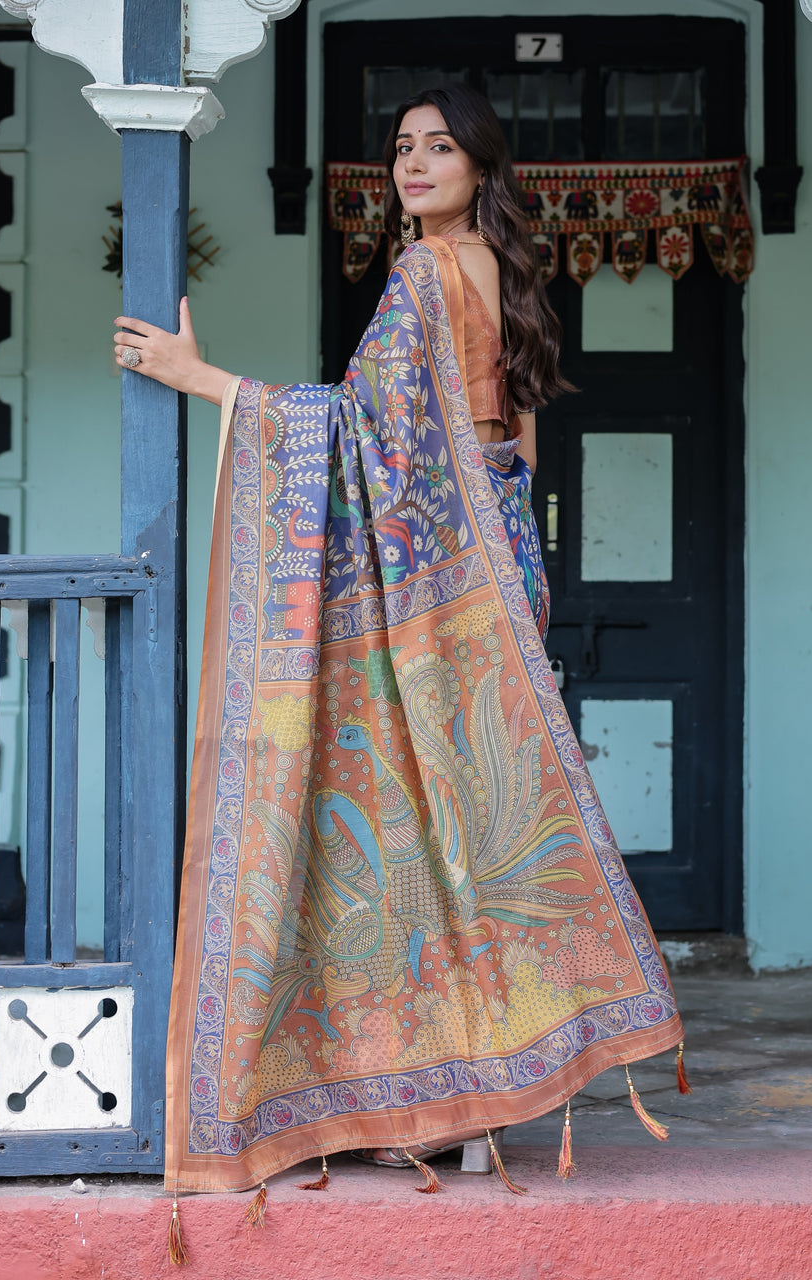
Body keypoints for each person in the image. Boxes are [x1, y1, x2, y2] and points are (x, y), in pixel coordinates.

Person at [113, 84, 683, 1200]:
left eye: (440, 148)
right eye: (401, 149)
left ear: (482, 165)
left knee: (413, 826)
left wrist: (205, 381)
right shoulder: (508, 277)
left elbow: (366, 429)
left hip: (432, 582)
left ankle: (448, 1093)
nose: (414, 165)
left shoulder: (426, 273)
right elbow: (515, 444)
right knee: (478, 817)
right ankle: (487, 1080)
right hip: (494, 566)